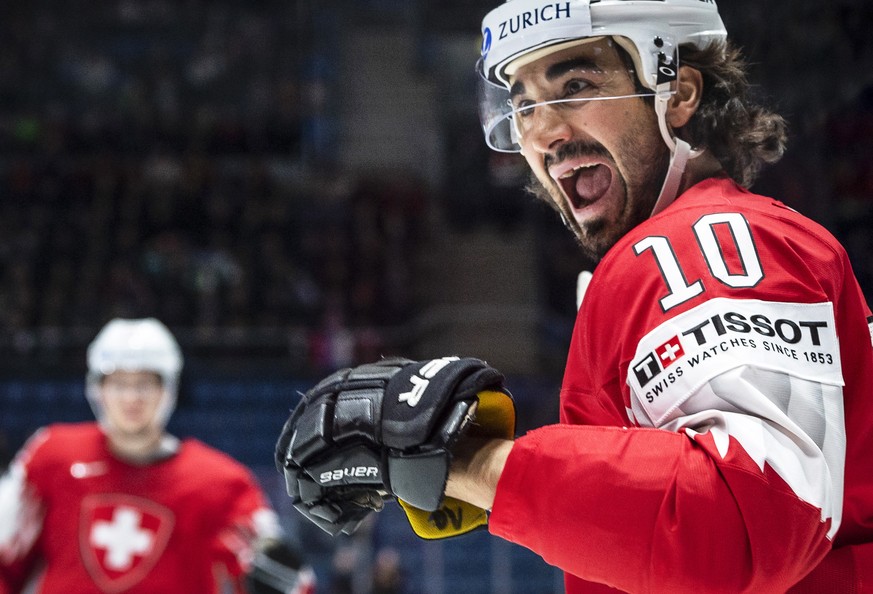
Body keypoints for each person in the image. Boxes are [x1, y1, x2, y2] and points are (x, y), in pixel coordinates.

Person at [275, 0, 873, 592]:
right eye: (524, 106)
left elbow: (747, 521)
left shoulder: (699, 243)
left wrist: (470, 464)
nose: (542, 132)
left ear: (681, 93)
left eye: (576, 85)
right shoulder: (694, 247)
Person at [0, 317, 315, 594]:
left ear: (169, 388)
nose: (131, 397)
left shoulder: (219, 482)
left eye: (145, 384)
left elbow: (288, 580)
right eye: (118, 383)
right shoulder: (51, 455)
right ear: (96, 389)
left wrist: (283, 580)